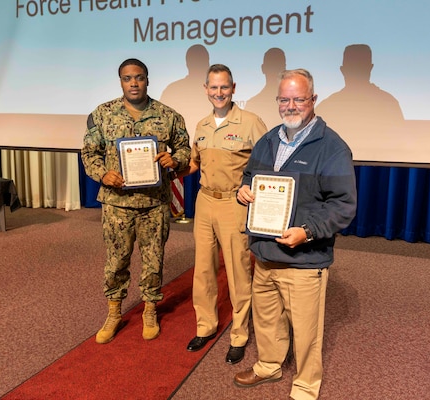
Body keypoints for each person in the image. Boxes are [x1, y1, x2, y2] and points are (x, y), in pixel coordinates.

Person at [234, 69, 357, 400]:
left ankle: (305, 387)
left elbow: (343, 205)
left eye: (298, 99)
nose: (291, 106)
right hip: (265, 253)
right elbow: (248, 178)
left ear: (313, 100)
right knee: (267, 320)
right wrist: (242, 192)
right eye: (284, 99)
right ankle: (268, 366)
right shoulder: (268, 140)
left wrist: (307, 231)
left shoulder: (331, 147)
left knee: (307, 332)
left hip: (304, 258)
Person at [81, 58, 191, 343]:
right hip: (117, 203)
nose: (133, 83)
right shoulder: (103, 114)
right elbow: (89, 154)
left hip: (154, 204)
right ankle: (114, 311)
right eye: (128, 78)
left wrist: (174, 159)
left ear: (147, 80)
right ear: (120, 81)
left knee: (153, 261)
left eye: (139, 77)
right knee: (116, 261)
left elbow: (183, 149)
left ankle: (150, 308)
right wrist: (104, 175)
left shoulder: (168, 116)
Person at [179, 64, 267, 364]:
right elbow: (193, 164)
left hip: (234, 203)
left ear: (233, 88)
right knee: (203, 270)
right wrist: (170, 167)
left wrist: (249, 186)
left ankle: (239, 334)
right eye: (213, 87)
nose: (219, 93)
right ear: (205, 89)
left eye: (224, 87)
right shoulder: (202, 125)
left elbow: (267, 166)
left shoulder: (251, 123)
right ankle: (206, 326)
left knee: (238, 271)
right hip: (204, 202)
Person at [315, 44, 403, 138]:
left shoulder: (327, 106)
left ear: (343, 70)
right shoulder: (389, 103)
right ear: (370, 68)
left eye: (359, 67)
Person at [244, 47, 287, 130]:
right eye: (272, 66)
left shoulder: (293, 105)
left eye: (277, 65)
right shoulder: (252, 104)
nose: (275, 70)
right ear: (263, 68)